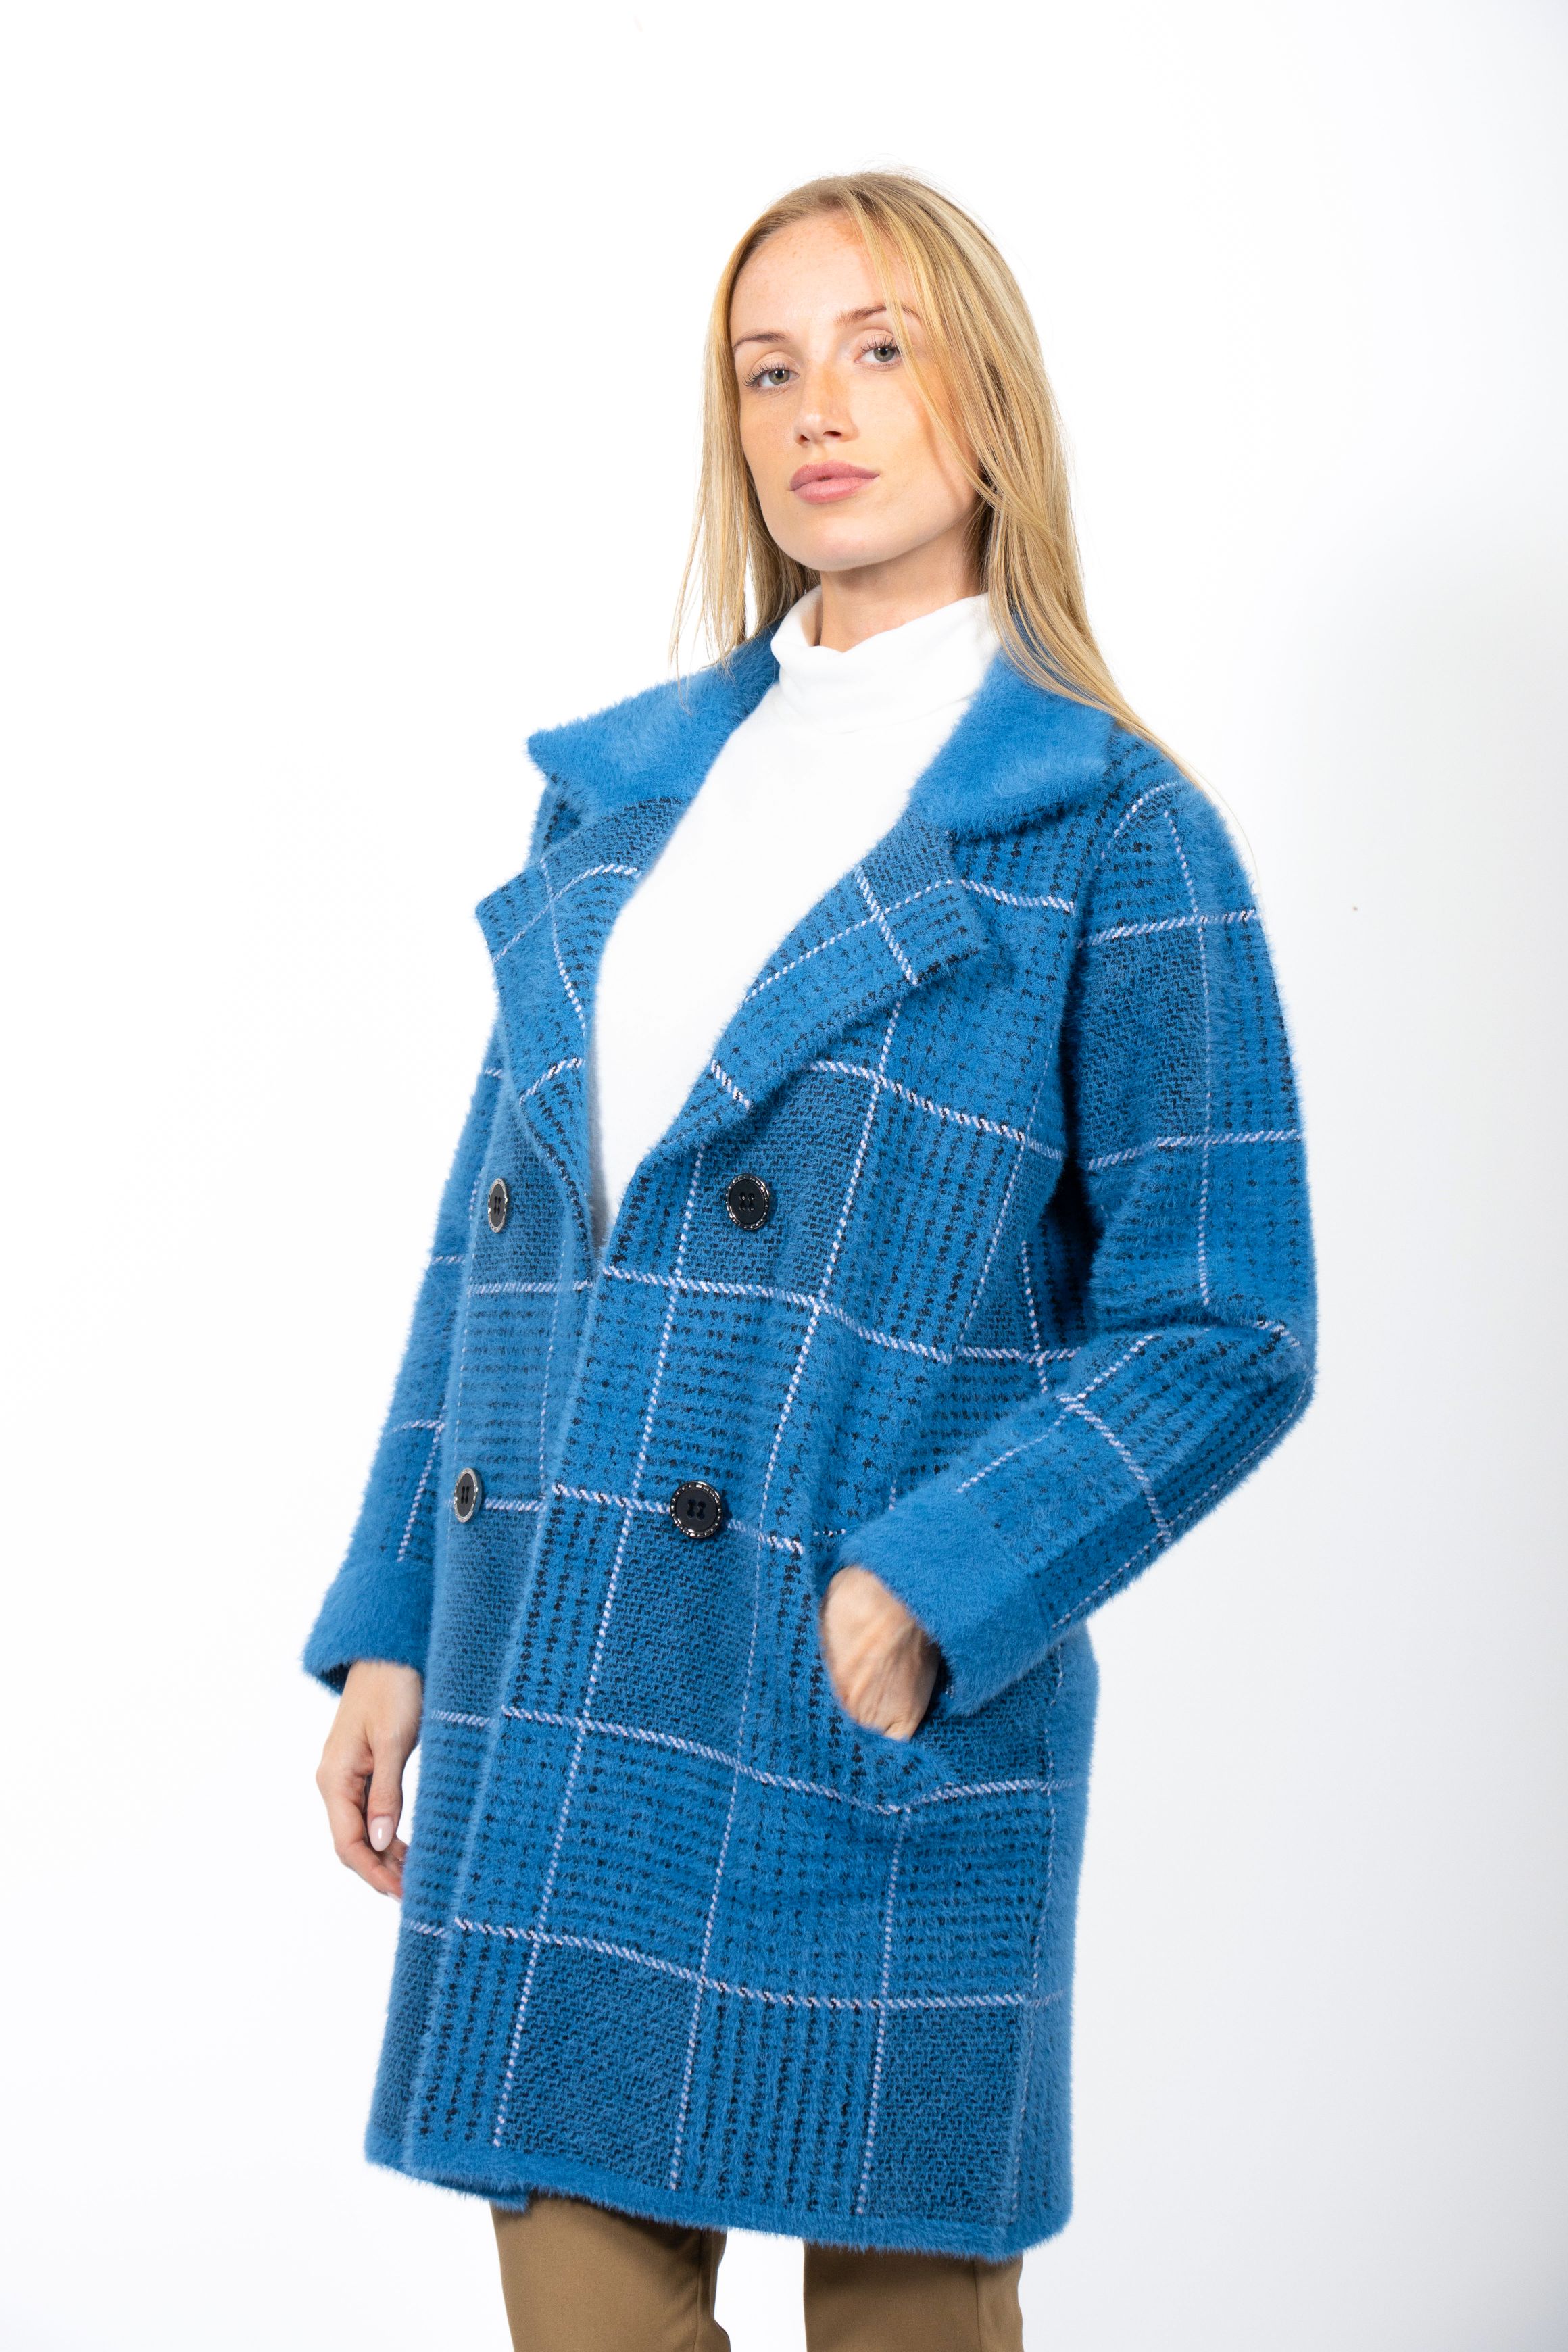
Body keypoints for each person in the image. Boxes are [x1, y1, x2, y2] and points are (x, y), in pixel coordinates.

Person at [308, 170, 1316, 2351]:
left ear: (987, 394)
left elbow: (1226, 1322)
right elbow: (492, 1243)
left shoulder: (1111, 830)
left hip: (871, 1721)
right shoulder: (618, 801)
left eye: (877, 349)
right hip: (570, 1679)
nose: (816, 412)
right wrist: (397, 1615)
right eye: (768, 370)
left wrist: (926, 1592)